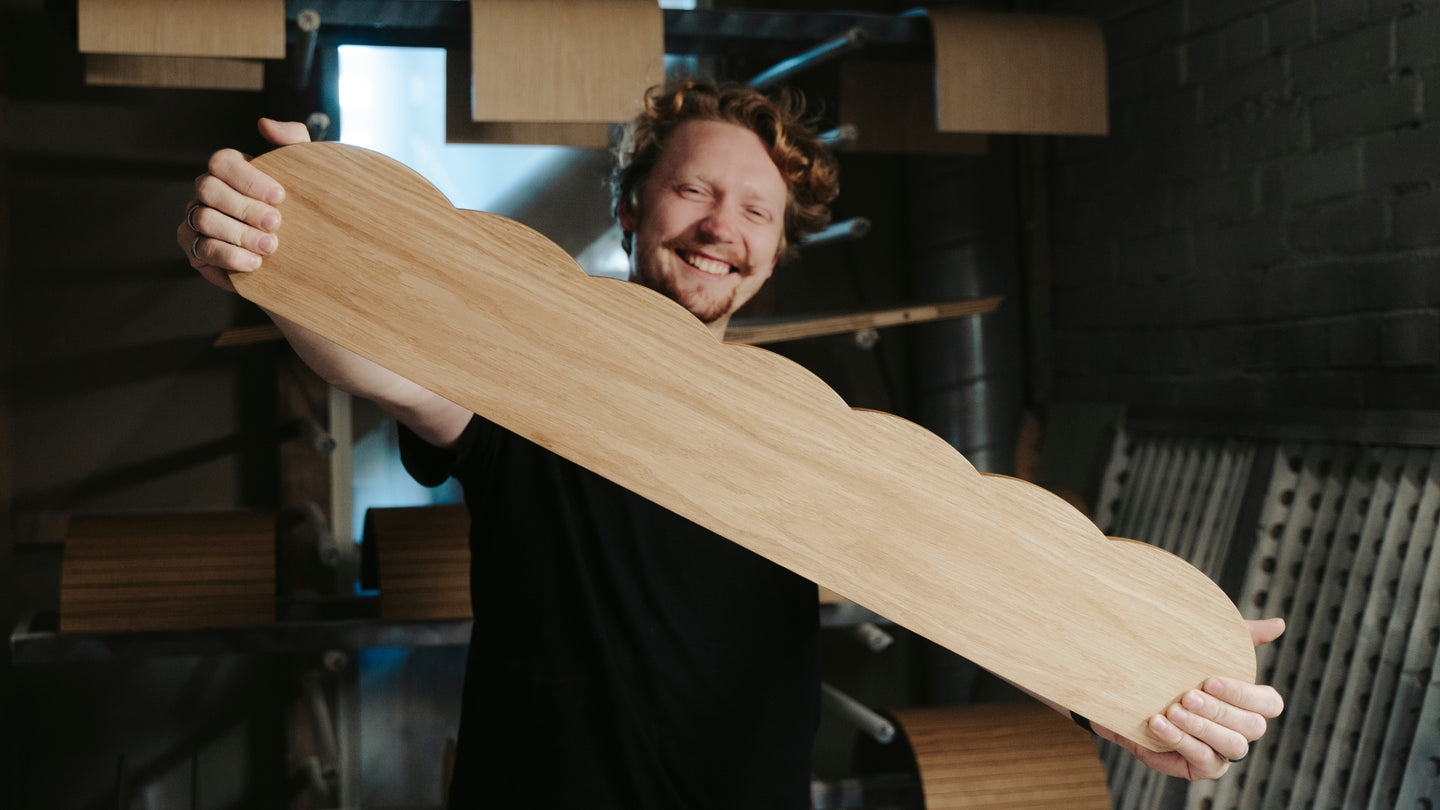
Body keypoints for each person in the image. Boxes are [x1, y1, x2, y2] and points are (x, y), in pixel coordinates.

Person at [179, 80, 1284, 807]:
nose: (722, 226)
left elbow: (968, 575)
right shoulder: (522, 381)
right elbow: (379, 364)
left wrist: (1140, 675)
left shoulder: (811, 430)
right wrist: (281, 249)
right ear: (631, 211)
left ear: (777, 252)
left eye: (757, 210)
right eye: (693, 190)